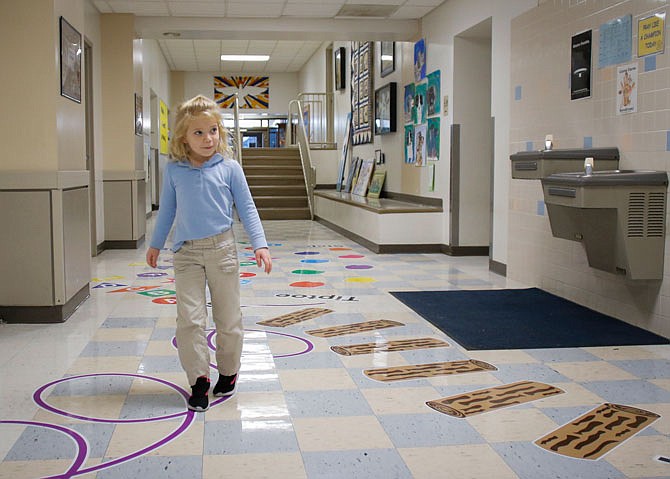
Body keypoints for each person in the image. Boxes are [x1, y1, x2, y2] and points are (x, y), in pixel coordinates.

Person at [146, 95, 272, 412]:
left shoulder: (230, 169)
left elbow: (248, 209)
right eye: (198, 133)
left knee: (228, 319)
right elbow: (167, 212)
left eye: (212, 130)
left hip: (223, 251)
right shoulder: (174, 171)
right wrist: (156, 243)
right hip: (186, 254)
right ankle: (199, 379)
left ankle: (228, 372)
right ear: (183, 138)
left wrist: (260, 244)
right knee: (189, 320)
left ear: (221, 133)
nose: (207, 139)